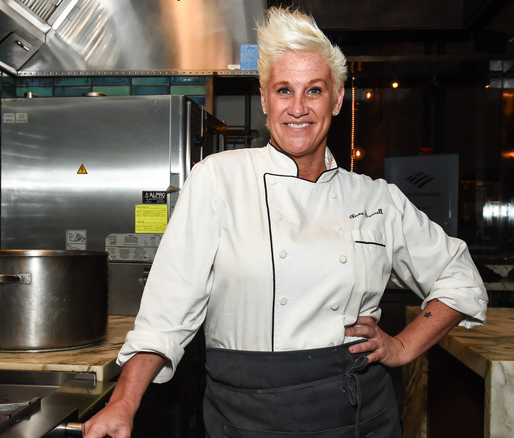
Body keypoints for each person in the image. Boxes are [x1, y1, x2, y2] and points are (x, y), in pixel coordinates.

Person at [84, 6, 487, 438]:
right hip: (245, 414)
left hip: (356, 414)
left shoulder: (375, 198)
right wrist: (123, 403)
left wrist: (404, 345)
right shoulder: (219, 179)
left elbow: (460, 278)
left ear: (335, 100)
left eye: (313, 91)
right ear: (264, 100)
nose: (298, 108)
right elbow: (165, 316)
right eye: (284, 90)